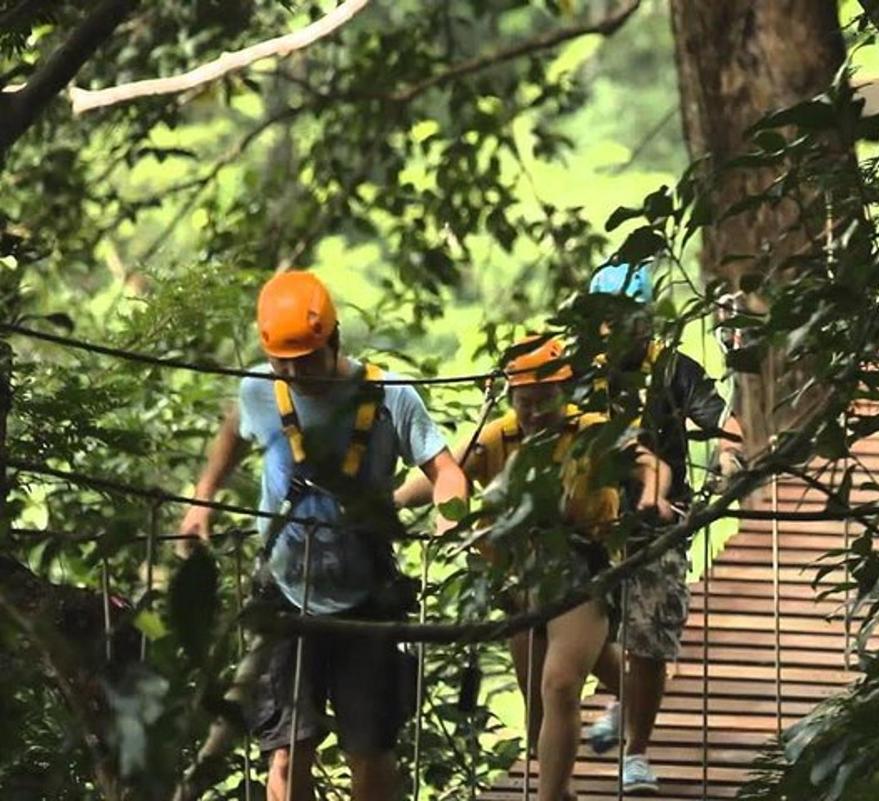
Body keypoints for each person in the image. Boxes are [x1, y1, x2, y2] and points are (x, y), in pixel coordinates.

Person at [177, 271, 468, 801]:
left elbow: (446, 470)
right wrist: (203, 500)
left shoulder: (389, 396)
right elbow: (232, 430)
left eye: (305, 359)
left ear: (333, 340)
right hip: (284, 596)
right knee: (286, 750)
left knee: (371, 749)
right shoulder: (261, 390)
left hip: (366, 598)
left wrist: (450, 513)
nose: (292, 372)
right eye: (280, 361)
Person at [394, 335, 672, 801]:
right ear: (511, 399)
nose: (537, 412)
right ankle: (615, 715)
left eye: (546, 400)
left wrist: (652, 495)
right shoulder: (497, 436)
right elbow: (445, 472)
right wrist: (392, 505)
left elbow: (648, 463)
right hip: (519, 578)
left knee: (560, 684)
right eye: (527, 402)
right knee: (537, 709)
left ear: (565, 392)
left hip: (582, 571)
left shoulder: (592, 431)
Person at [583, 260, 745, 794]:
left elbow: (724, 420)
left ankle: (636, 752)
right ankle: (625, 702)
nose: (611, 330)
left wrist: (728, 453)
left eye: (623, 318)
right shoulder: (581, 376)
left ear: (645, 320)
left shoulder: (674, 370)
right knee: (588, 637)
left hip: (658, 526)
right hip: (591, 526)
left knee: (648, 641)